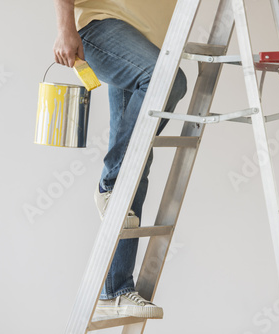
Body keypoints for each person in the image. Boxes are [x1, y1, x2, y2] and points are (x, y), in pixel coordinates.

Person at [53, 0, 187, 319]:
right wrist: (64, 29)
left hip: (144, 40)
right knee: (168, 79)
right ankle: (110, 185)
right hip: (103, 24)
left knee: (137, 161)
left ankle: (115, 289)